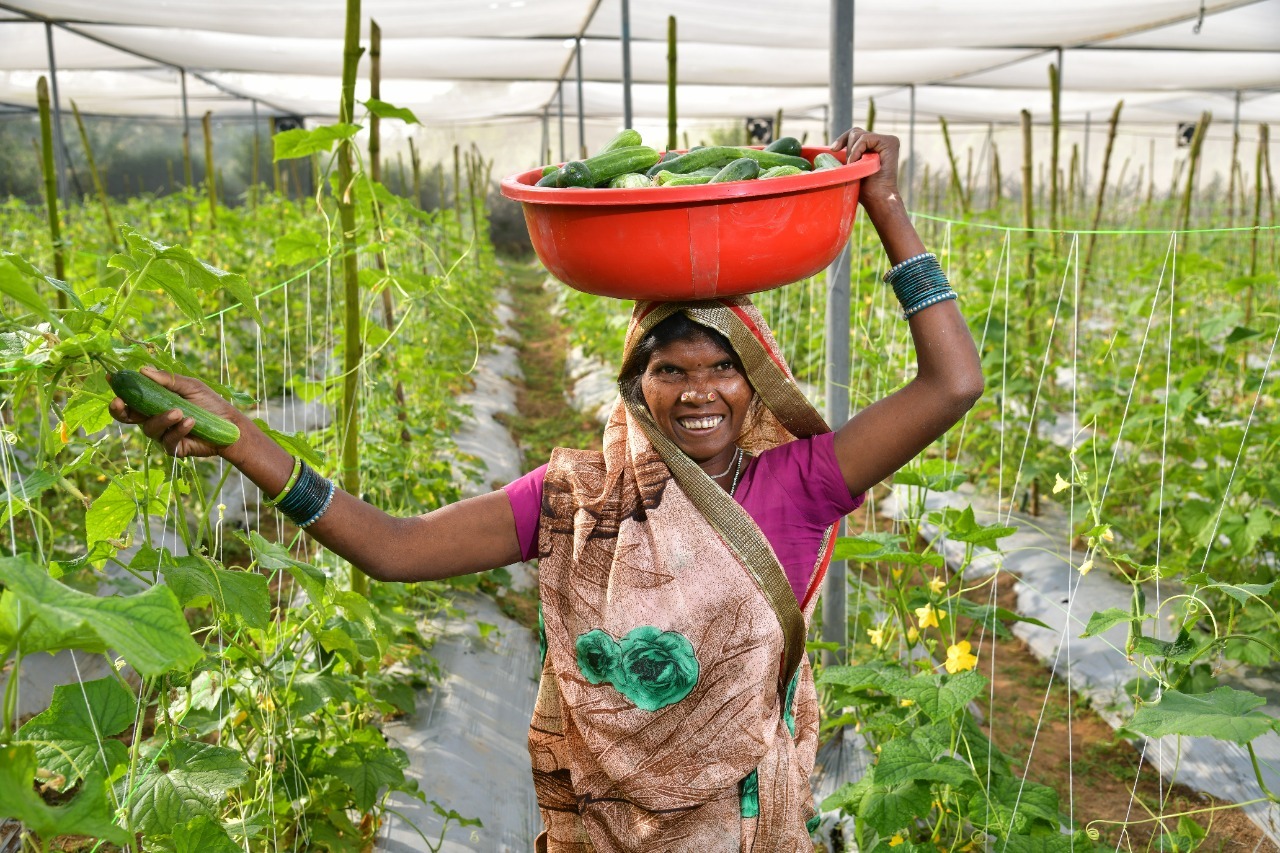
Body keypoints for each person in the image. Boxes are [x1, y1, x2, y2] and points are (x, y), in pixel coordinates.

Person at [110, 129, 983, 852]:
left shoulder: (800, 483)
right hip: (618, 828)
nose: (699, 391)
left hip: (744, 825)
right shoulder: (578, 499)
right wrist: (242, 440)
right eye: (670, 368)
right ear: (634, 385)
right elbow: (394, 548)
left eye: (725, 366)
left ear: (758, 382)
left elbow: (951, 384)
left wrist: (883, 205)